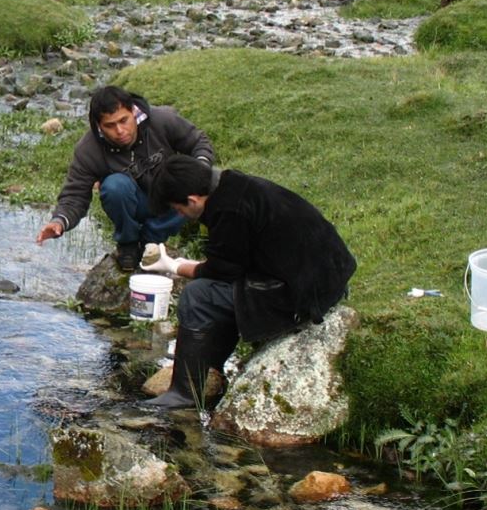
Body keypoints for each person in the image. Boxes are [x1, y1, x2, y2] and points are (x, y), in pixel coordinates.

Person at [140, 154, 356, 410]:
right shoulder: (233, 185)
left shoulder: (230, 211)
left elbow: (221, 272)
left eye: (179, 210)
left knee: (198, 296)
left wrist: (175, 266)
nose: (182, 215)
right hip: (328, 275)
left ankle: (185, 392)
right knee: (223, 292)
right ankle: (211, 368)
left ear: (193, 200)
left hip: (304, 293)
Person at [35, 85, 214, 271]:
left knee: (198, 186)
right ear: (99, 126)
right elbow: (75, 194)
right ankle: (128, 245)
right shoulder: (88, 150)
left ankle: (151, 239)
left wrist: (199, 172)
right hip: (133, 201)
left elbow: (198, 142)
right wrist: (59, 222)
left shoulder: (163, 120)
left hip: (170, 200)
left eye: (124, 120)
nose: (120, 131)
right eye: (110, 126)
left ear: (133, 112)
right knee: (114, 187)